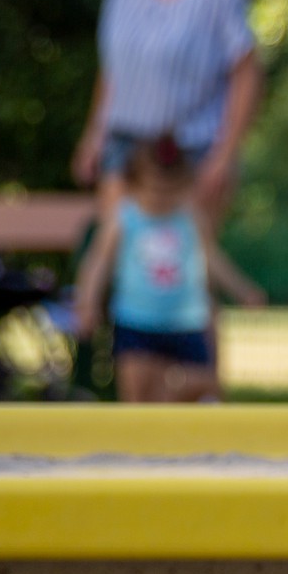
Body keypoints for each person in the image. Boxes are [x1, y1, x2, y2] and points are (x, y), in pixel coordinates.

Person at [70, 0, 261, 219]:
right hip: (125, 154)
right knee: (122, 260)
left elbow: (246, 74)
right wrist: (94, 135)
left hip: (191, 157)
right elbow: (115, 69)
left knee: (180, 266)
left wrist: (225, 154)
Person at [73, 135, 265, 402]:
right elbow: (99, 262)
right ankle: (143, 441)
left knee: (202, 387)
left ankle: (179, 424)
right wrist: (87, 302)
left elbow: (211, 258)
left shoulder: (189, 217)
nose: (161, 200)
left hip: (186, 322)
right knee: (138, 398)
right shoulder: (124, 217)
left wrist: (243, 291)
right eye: (154, 192)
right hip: (136, 321)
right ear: (133, 185)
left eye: (169, 193)